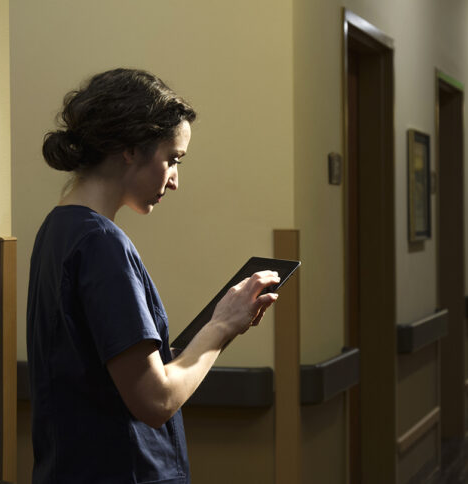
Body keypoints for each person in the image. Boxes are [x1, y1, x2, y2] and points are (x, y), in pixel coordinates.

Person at [27, 68, 280, 483]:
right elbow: (155, 400)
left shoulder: (57, 230)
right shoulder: (100, 244)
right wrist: (222, 326)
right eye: (172, 159)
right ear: (130, 148)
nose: (175, 179)